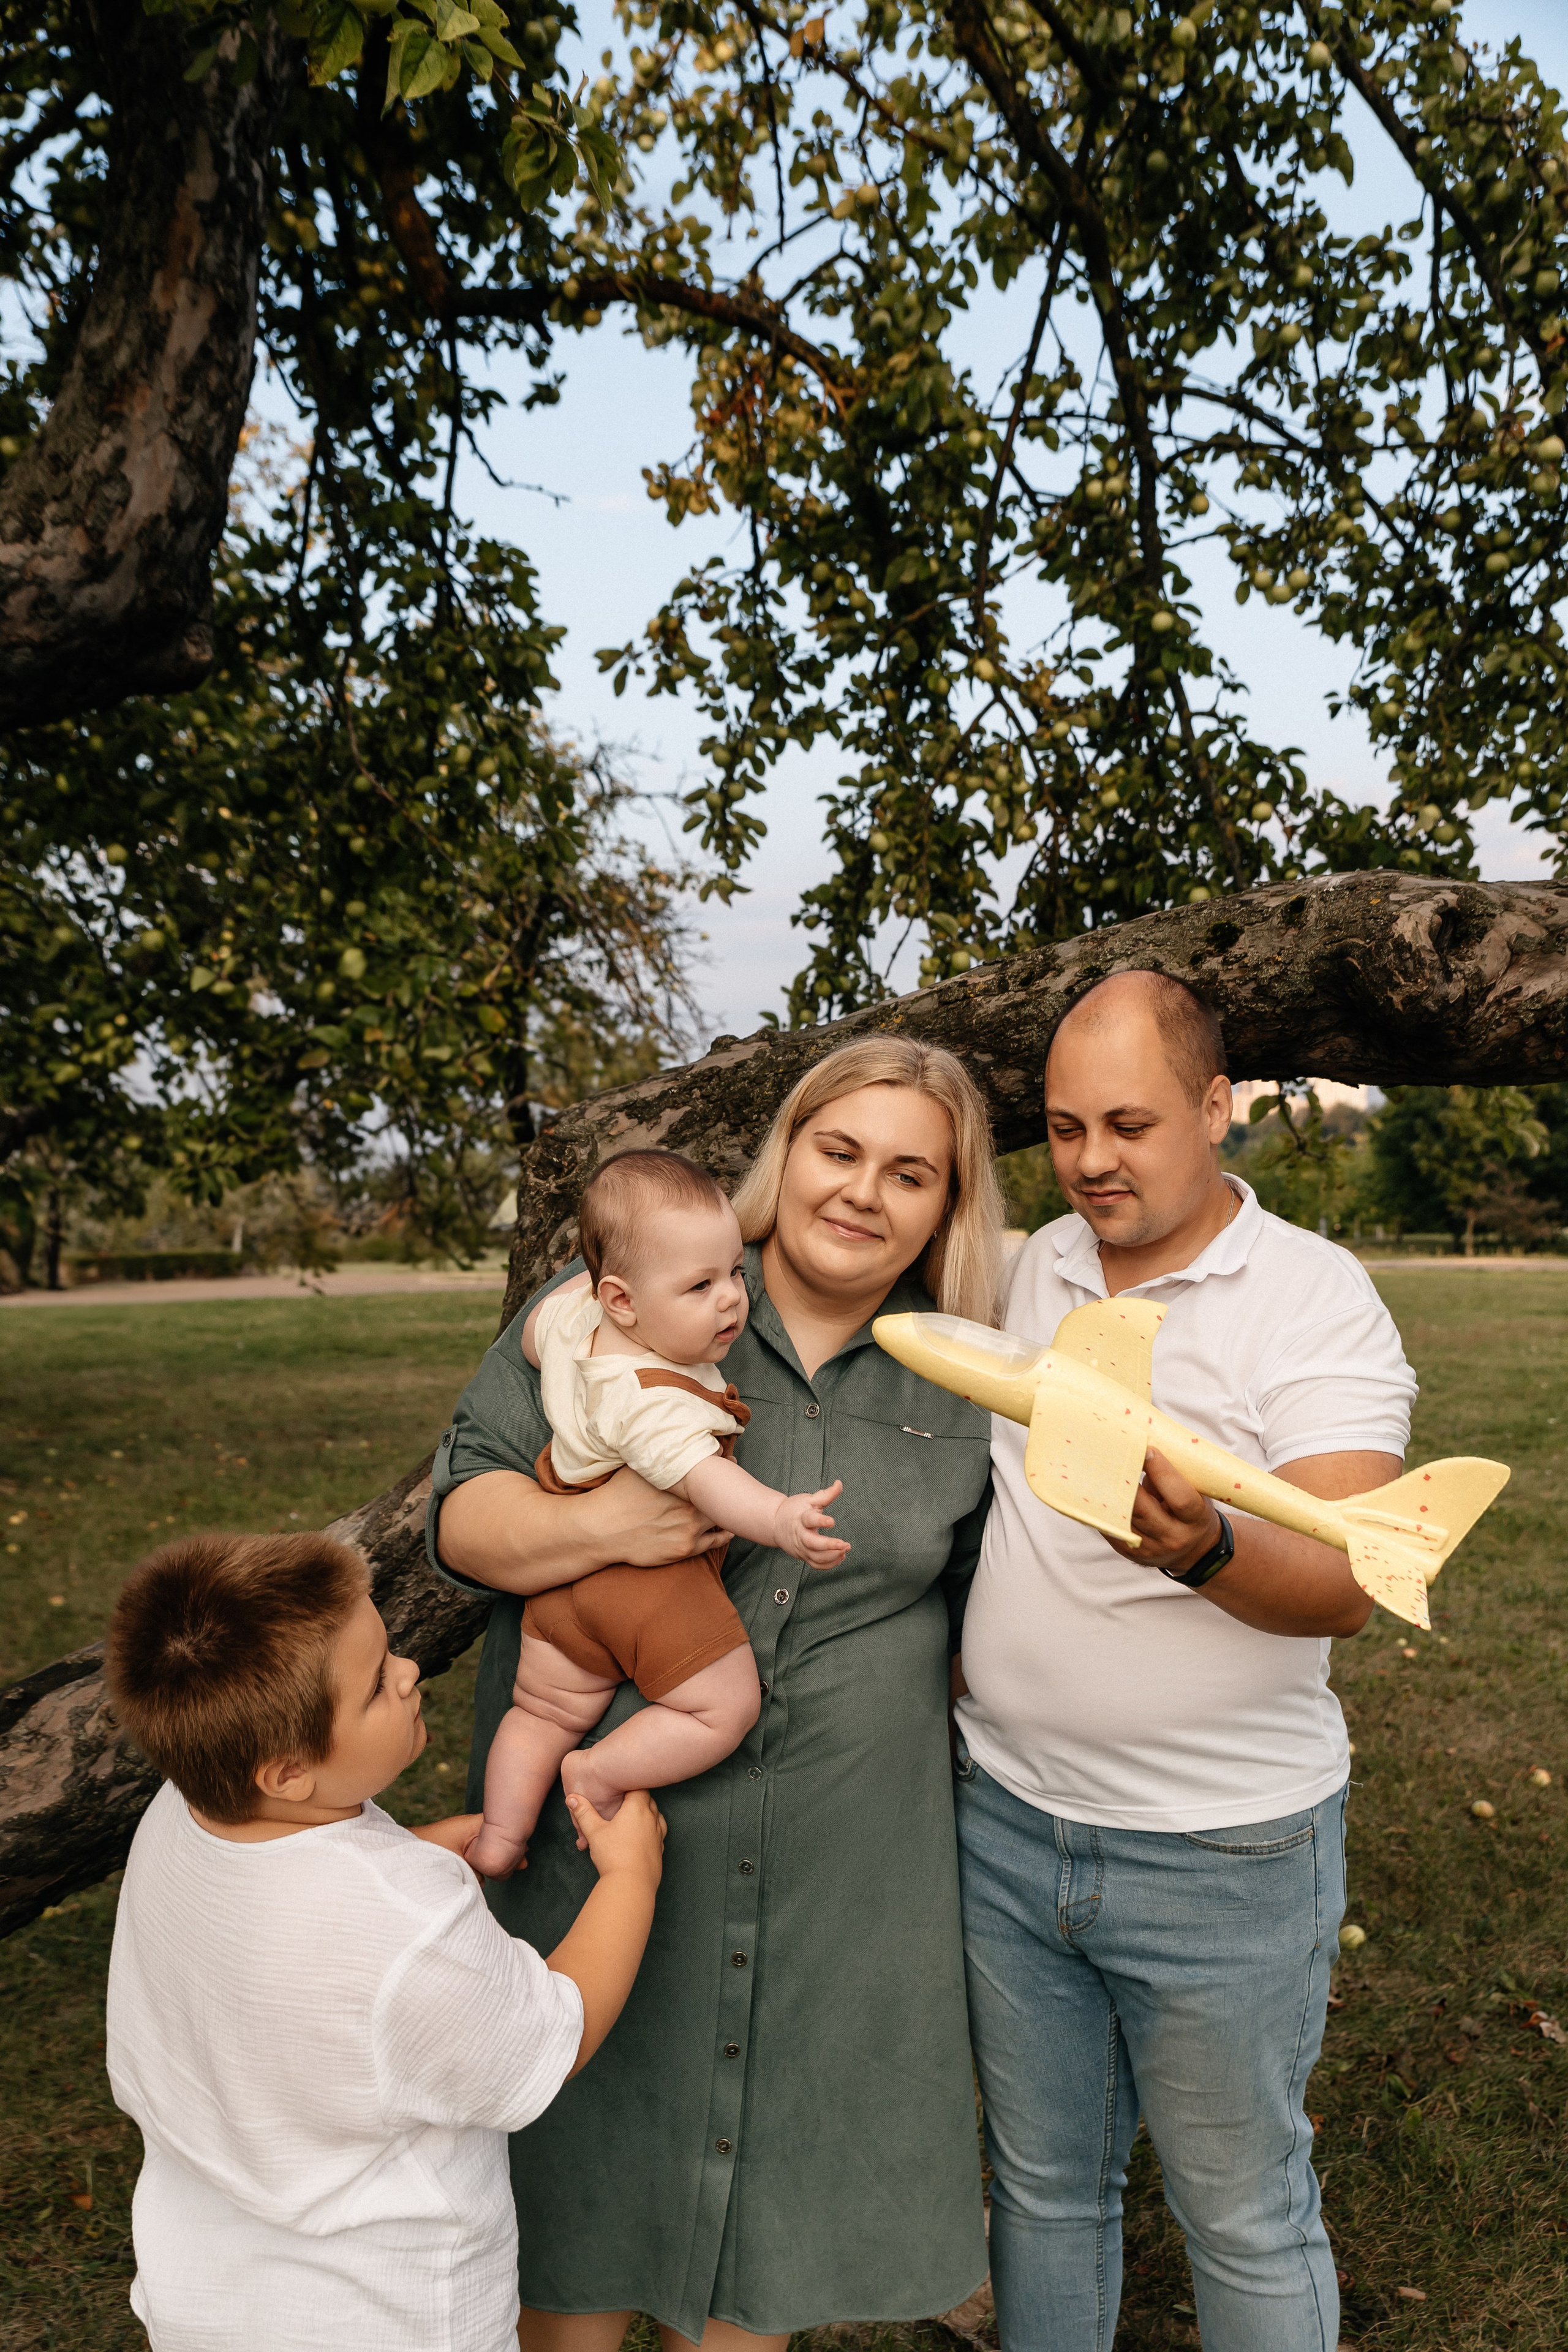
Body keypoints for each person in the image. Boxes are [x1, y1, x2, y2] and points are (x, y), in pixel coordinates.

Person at [426, 1036, 1005, 2352]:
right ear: (784, 1152)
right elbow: (460, 1518)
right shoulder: (622, 1299)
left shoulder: (970, 1380)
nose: (861, 1192)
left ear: (947, 1203)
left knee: (758, 2268)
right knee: (572, 2221)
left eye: (908, 1173)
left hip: (834, 1888)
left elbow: (986, 1612)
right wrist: (610, 1532)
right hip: (603, 1853)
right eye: (836, 1150)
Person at [954, 970, 1417, 2352]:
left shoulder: (1310, 1300)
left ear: (1216, 1108)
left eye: (1129, 1124)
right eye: (1062, 1127)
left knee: (1242, 2213)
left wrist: (1201, 1547)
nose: (1091, 1160)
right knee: (1040, 2193)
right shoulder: (1033, 1266)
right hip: (1005, 1822)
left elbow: (1345, 1582)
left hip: (1219, 1853)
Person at [104, 1531, 666, 2352]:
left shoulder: (178, 1815)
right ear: (289, 1771)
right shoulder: (407, 1927)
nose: (408, 1672)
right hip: (388, 2315)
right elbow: (555, 2033)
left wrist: (418, 1849)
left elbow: (299, 1915)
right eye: (373, 1686)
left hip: (208, 2300)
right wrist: (630, 1879)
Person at [469, 1148, 848, 1880]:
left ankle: (498, 1835)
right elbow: (706, 1482)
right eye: (699, 1285)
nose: (732, 1300)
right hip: (644, 1590)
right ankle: (600, 1775)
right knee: (724, 1709)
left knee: (542, 1714)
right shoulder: (654, 1400)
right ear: (622, 1299)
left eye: (735, 1273)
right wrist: (780, 1520)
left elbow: (531, 1334)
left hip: (559, 1593)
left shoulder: (572, 1326)